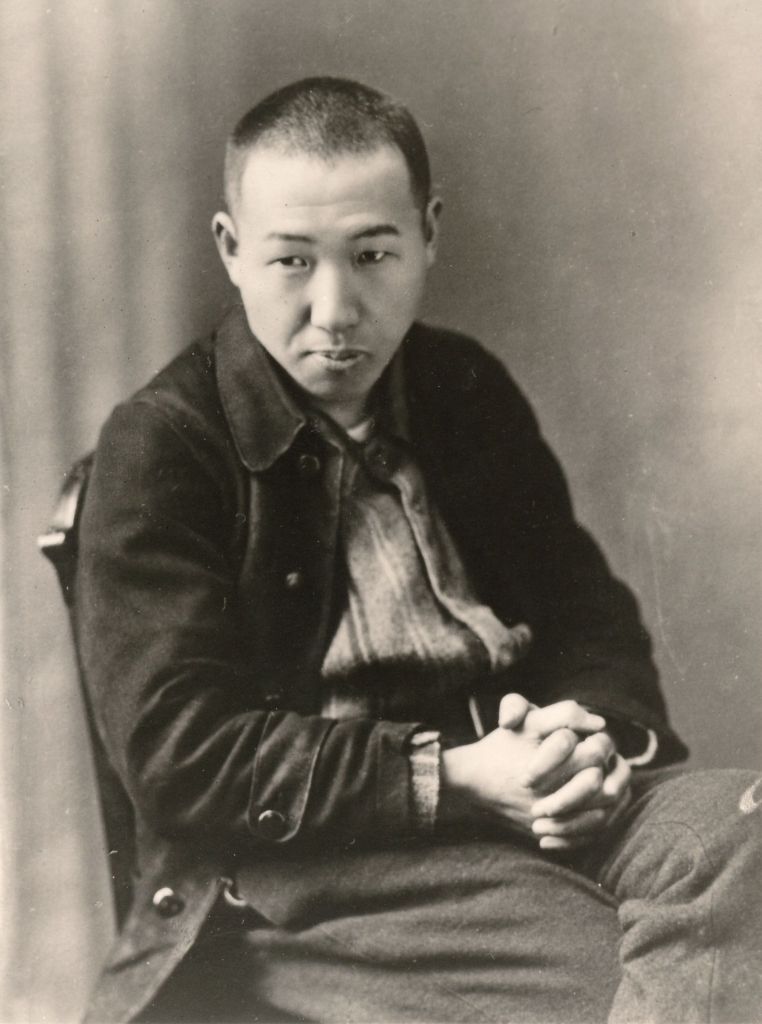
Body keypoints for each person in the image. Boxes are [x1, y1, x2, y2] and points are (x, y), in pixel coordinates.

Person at [75, 77, 762, 1024]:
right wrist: (457, 775)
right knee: (626, 977)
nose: (335, 309)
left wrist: (588, 742)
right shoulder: (164, 443)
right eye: (291, 260)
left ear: (428, 233)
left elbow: (584, 610)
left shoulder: (462, 385)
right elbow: (182, 756)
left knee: (743, 829)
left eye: (372, 254)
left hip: (524, 796)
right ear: (231, 250)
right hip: (323, 858)